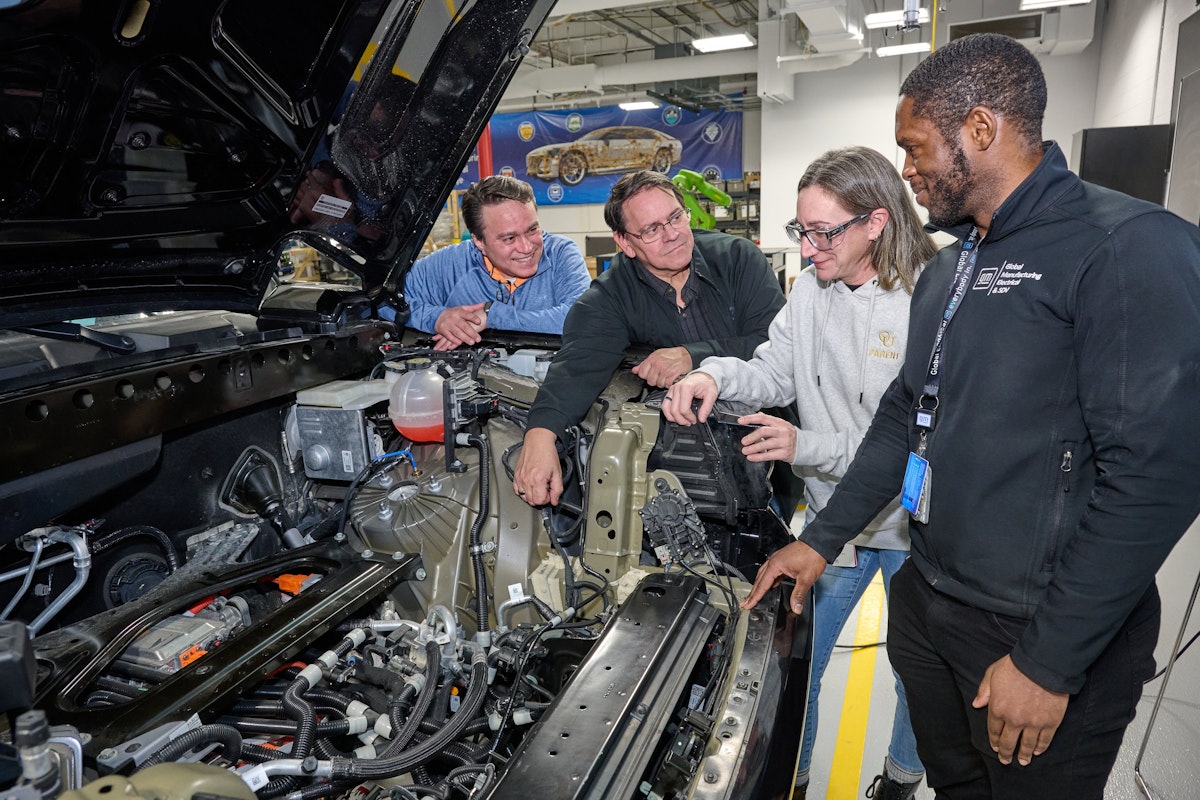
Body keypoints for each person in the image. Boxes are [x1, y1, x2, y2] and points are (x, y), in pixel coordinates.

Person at [742, 33, 1200, 800]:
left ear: (980, 129)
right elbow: (904, 417)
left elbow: (1156, 479)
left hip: (1034, 630)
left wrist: (1049, 661)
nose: (906, 170)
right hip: (931, 604)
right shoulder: (953, 267)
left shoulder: (1126, 247)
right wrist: (821, 540)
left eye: (915, 147)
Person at [662, 146, 936, 800]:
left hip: (914, 526)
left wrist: (805, 444)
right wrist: (712, 375)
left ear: (876, 222)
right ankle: (795, 780)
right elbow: (772, 373)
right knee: (794, 670)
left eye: (822, 232)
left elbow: (911, 440)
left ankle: (900, 781)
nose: (808, 249)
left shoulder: (928, 298)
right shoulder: (811, 290)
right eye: (801, 231)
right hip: (833, 523)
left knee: (917, 676)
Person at [512, 169, 785, 507]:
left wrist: (692, 356)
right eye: (652, 229)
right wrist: (540, 437)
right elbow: (575, 370)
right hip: (679, 472)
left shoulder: (737, 260)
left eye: (676, 217)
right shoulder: (610, 298)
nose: (672, 235)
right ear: (625, 242)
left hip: (769, 450)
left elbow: (777, 348)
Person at [399, 175, 591, 350]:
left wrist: (492, 316)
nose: (526, 247)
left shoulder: (560, 254)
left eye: (532, 230)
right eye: (509, 238)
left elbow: (584, 319)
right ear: (478, 241)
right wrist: (436, 317)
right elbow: (386, 301)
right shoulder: (450, 264)